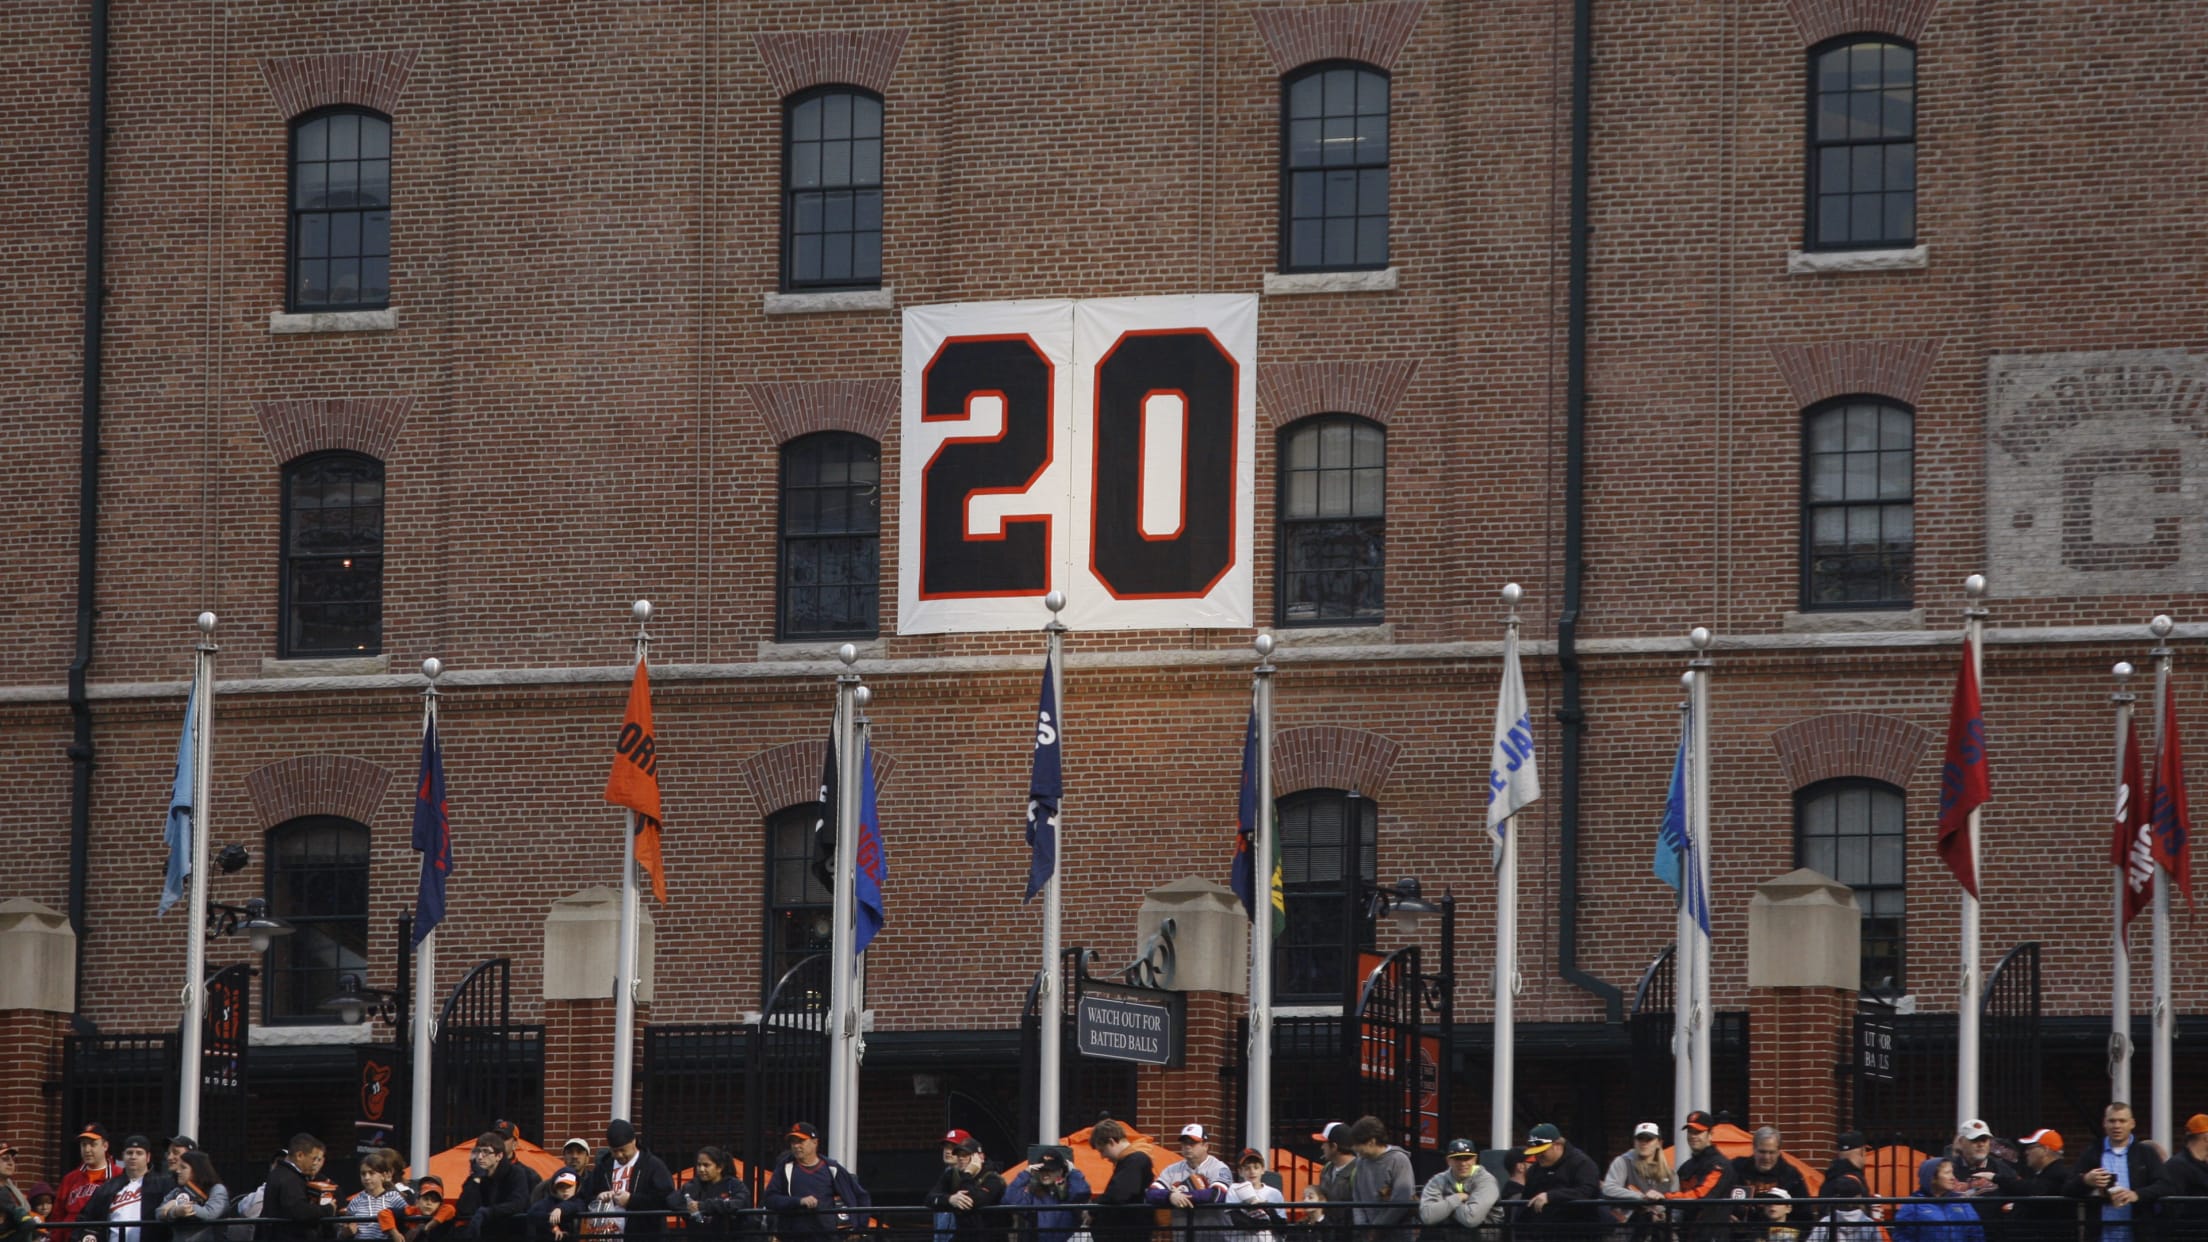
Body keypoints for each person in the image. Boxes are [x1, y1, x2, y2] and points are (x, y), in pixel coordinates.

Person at [2067, 1101, 2163, 1242]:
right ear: (2104, 1123)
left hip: (2137, 1232)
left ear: (2132, 1124)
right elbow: (2067, 1188)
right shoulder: (2092, 1151)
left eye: (2122, 1121)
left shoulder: (2145, 1153)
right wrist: (2085, 1180)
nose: (2117, 1126)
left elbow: (2165, 1184)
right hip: (2100, 1234)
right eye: (2112, 1121)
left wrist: (2137, 1194)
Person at [761, 1123, 865, 1239]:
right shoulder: (784, 1168)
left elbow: (861, 1196)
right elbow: (770, 1199)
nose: (796, 1146)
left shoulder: (831, 1168)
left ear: (815, 1142)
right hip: (793, 1236)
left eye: (801, 1141)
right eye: (793, 1142)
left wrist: (859, 1229)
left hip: (826, 1236)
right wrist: (799, 1201)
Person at [582, 1121, 673, 1241]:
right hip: (608, 1237)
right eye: (614, 1151)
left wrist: (631, 1200)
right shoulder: (603, 1167)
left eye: (623, 1150)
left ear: (633, 1141)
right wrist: (598, 1197)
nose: (619, 1155)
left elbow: (666, 1198)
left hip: (644, 1236)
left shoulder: (653, 1165)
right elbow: (584, 1196)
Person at [74, 1135, 175, 1242]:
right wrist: (87, 1235)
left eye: (139, 1153)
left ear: (148, 1157)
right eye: (129, 1153)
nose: (133, 1157)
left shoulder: (163, 1184)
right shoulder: (108, 1187)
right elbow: (87, 1217)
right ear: (123, 1156)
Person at [1341, 1117, 1414, 1242]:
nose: (1355, 1149)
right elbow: (1357, 1196)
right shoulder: (1361, 1162)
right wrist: (1363, 1226)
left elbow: (1402, 1200)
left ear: (1371, 1142)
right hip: (1367, 1234)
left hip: (1397, 1234)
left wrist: (1377, 1228)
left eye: (1358, 1144)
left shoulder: (1398, 1160)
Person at [1147, 1123, 1231, 1233]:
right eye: (1184, 1143)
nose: (1187, 1147)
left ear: (1205, 1146)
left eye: (1193, 1143)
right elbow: (1151, 1193)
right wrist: (1171, 1196)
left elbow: (1218, 1194)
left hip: (1213, 1236)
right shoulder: (1172, 1169)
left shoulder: (1219, 1167)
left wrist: (1182, 1196)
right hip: (1183, 1235)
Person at [1518, 1123, 1601, 1228]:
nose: (1538, 1156)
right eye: (1535, 1152)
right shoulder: (1534, 1170)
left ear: (1557, 1145)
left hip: (1578, 1230)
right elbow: (1526, 1200)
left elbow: (1586, 1191)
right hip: (1542, 1232)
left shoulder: (1582, 1163)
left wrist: (1551, 1196)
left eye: (1542, 1151)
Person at [1602, 1121, 1677, 1234]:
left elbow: (1677, 1203)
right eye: (1640, 1139)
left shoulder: (1669, 1171)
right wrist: (1642, 1197)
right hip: (1629, 1231)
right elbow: (1608, 1188)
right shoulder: (1623, 1161)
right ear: (1634, 1142)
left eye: (1649, 1139)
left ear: (1659, 1143)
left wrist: (1663, 1217)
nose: (1643, 1143)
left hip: (1662, 1231)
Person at [1001, 1147, 1089, 1242]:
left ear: (1061, 1171)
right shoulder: (1033, 1194)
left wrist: (1073, 1171)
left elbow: (1082, 1193)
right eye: (1042, 1170)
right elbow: (1009, 1200)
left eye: (1050, 1170)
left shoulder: (1071, 1191)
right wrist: (1026, 1173)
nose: (1045, 1174)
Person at [458, 1131, 534, 1242]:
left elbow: (518, 1203)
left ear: (499, 1156)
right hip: (483, 1235)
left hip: (512, 1233)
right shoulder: (476, 1177)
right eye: (477, 1151)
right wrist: (475, 1180)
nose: (479, 1157)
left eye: (486, 1152)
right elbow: (463, 1209)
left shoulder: (515, 1173)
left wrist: (488, 1212)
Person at [260, 1134, 338, 1242]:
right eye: (313, 1158)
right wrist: (328, 1209)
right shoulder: (288, 1179)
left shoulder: (280, 1174)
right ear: (300, 1155)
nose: (315, 1163)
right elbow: (299, 1211)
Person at [927, 1135, 1003, 1242]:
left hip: (989, 1237)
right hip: (962, 1236)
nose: (961, 1158)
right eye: (958, 1155)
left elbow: (971, 1201)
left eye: (965, 1155)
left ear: (980, 1157)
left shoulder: (993, 1178)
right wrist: (950, 1199)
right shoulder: (951, 1175)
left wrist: (968, 1173)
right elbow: (929, 1198)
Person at [1948, 1119, 2025, 1225]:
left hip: (1994, 1231)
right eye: (1974, 1140)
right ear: (1961, 1142)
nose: (1980, 1144)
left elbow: (2021, 1192)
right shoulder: (1948, 1168)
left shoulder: (2002, 1168)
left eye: (1984, 1140)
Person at [1417, 1139, 1499, 1237]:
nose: (1463, 1163)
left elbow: (1471, 1219)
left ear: (1475, 1159)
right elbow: (1427, 1216)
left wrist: (1443, 1207)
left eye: (1467, 1158)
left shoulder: (1486, 1180)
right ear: (1448, 1160)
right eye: (1458, 1158)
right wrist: (1457, 1198)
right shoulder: (1437, 1180)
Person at [2139, 1113, 2208, 1230]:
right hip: (2189, 1234)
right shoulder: (2177, 1167)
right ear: (2206, 1138)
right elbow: (2173, 1209)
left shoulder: (2201, 1165)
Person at [1087, 1119, 1152, 1242]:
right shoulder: (1131, 1161)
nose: (1102, 1156)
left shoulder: (1135, 1160)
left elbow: (1118, 1194)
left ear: (1111, 1141)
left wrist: (1093, 1208)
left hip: (1129, 1232)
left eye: (1102, 1150)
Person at [2010, 1129, 2077, 1242]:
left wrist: (1997, 1179)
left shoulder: (2058, 1175)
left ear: (2045, 1150)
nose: (2026, 1152)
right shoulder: (2044, 1174)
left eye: (2031, 1148)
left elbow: (2034, 1190)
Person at [55, 1125, 121, 1239]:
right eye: (84, 1144)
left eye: (93, 1144)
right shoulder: (70, 1178)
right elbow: (57, 1216)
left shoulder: (119, 1175)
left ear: (105, 1146)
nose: (87, 1149)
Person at [1892, 1159, 1982, 1242]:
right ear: (1932, 1178)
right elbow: (1902, 1238)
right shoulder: (1912, 1205)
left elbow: (1976, 1233)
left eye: (1952, 1172)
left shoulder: (1961, 1202)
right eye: (1947, 1173)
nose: (1953, 1178)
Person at [1731, 1128, 1811, 1223]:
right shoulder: (1735, 1168)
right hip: (1739, 1233)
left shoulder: (1791, 1175)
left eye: (1771, 1152)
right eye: (1762, 1152)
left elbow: (1804, 1212)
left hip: (1777, 1234)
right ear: (1753, 1149)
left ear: (1779, 1151)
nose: (1766, 1157)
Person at [668, 1148, 747, 1242]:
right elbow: (672, 1201)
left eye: (706, 1165)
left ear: (719, 1167)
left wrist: (703, 1206)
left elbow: (740, 1203)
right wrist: (689, 1208)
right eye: (699, 1165)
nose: (701, 1169)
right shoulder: (693, 1185)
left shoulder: (733, 1184)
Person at [152, 1153, 226, 1242]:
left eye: (183, 1167)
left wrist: (179, 1204)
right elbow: (159, 1212)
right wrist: (175, 1212)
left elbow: (210, 1213)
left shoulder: (217, 1189)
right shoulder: (177, 1191)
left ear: (197, 1170)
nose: (178, 1171)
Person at [341, 1151, 410, 1242]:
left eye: (371, 1173)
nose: (367, 1177)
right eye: (363, 1173)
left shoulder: (394, 1198)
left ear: (384, 1175)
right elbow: (343, 1232)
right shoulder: (355, 1201)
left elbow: (409, 1220)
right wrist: (347, 1231)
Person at [1300, 1123, 1356, 1233]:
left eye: (1324, 1143)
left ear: (1334, 1147)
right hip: (1329, 1233)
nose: (1322, 1147)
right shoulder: (1327, 1169)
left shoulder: (1359, 1170)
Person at [1224, 1150, 1285, 1242]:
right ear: (1240, 1172)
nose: (1252, 1171)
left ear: (1263, 1170)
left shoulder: (1274, 1193)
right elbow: (1236, 1219)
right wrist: (1262, 1223)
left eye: (1256, 1167)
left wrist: (1269, 1210)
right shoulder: (1235, 1189)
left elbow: (1282, 1227)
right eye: (1247, 1168)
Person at [526, 1172, 581, 1242]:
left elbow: (575, 1206)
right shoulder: (548, 1201)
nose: (565, 1190)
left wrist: (559, 1209)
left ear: (576, 1187)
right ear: (555, 1189)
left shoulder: (579, 1201)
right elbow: (532, 1213)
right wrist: (553, 1226)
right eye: (561, 1187)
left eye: (569, 1186)